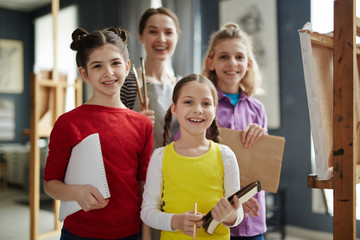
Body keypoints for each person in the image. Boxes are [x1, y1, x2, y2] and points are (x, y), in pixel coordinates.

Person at [43, 27, 154, 240]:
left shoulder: (142, 124)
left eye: (115, 63)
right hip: (79, 232)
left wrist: (146, 235)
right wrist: (76, 192)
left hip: (129, 232)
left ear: (128, 67)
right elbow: (50, 184)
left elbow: (143, 186)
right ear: (84, 73)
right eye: (97, 66)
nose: (109, 73)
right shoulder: (68, 123)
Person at [141, 74, 244, 239]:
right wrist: (177, 221)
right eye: (188, 102)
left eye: (206, 103)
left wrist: (230, 216)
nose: (198, 109)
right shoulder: (160, 157)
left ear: (214, 110)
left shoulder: (226, 156)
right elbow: (147, 212)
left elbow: (237, 213)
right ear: (174, 109)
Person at [202, 22, 268, 240]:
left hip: (252, 218)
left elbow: (263, 166)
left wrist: (262, 138)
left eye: (239, 57)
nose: (232, 63)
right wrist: (233, 196)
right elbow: (192, 157)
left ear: (248, 63)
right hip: (215, 213)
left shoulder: (257, 109)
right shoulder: (202, 105)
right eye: (223, 57)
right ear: (211, 61)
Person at [120, 7, 181, 150]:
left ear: (177, 37)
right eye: (153, 31)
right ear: (141, 36)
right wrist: (131, 125)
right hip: (139, 168)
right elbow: (111, 133)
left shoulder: (184, 86)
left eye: (168, 32)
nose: (161, 39)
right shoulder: (127, 83)